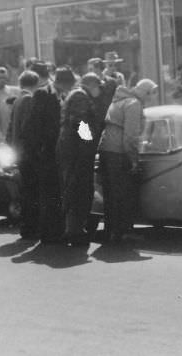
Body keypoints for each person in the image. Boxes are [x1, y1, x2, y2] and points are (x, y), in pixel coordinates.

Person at [98, 79, 158, 244]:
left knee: (111, 194)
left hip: (106, 149)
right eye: (152, 94)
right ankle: (124, 231)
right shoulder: (133, 104)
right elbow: (130, 136)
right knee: (124, 194)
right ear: (145, 92)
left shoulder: (120, 100)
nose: (152, 99)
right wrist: (133, 159)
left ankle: (111, 232)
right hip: (119, 152)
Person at [20, 62, 64, 243]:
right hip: (48, 152)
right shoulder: (43, 94)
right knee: (49, 193)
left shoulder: (54, 94)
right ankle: (50, 232)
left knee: (50, 193)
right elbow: (31, 128)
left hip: (51, 151)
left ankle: (52, 231)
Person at [57, 73, 103, 248]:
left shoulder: (75, 95)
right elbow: (80, 122)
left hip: (71, 150)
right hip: (77, 153)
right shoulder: (81, 97)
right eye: (99, 86)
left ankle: (72, 229)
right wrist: (89, 143)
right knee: (78, 191)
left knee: (73, 190)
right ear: (92, 85)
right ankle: (74, 231)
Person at [7, 70, 40, 240]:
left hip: (19, 152)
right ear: (36, 83)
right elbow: (28, 128)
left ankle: (27, 226)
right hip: (27, 153)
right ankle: (29, 226)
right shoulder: (28, 99)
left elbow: (11, 126)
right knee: (30, 191)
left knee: (25, 189)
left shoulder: (18, 99)